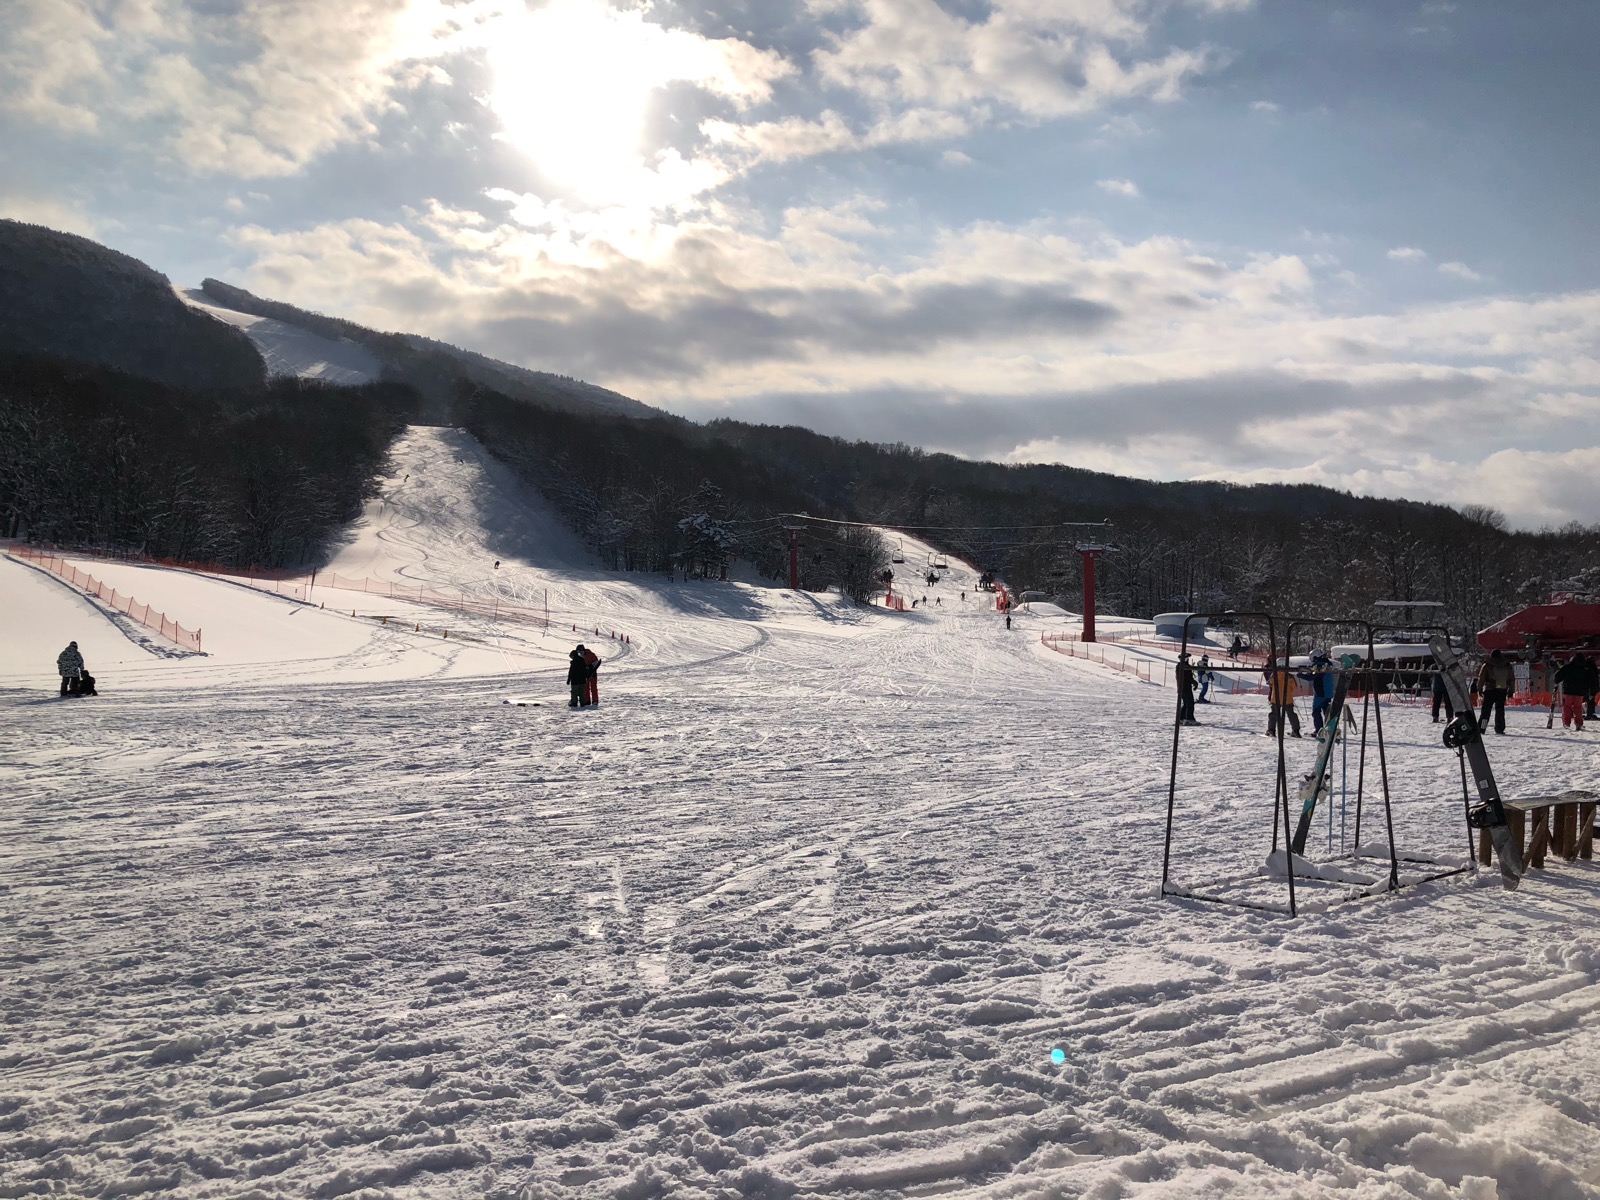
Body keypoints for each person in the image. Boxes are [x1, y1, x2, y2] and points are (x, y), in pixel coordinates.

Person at [1476, 649, 1514, 735]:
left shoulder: (1487, 665)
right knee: (1500, 711)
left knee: (1486, 712)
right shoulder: (1507, 665)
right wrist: (1511, 690)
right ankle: (1499, 728)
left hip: (1490, 690)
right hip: (1502, 690)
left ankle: (1482, 728)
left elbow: (1481, 678)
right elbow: (1511, 678)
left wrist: (1479, 689)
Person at [1264, 657, 1301, 738]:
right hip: (1287, 698)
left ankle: (1271, 730)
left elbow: (1270, 683)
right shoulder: (1290, 676)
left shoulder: (1274, 675)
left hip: (1275, 698)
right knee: (1291, 714)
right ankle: (1296, 731)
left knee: (1273, 714)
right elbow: (1294, 686)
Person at [1302, 650, 1337, 733]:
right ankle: (1330, 729)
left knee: (1316, 712)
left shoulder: (1319, 665)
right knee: (1327, 712)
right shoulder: (1328, 664)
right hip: (1328, 692)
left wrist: (1300, 675)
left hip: (1321, 692)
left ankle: (1319, 730)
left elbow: (1311, 677)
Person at [1552, 655, 1587, 731]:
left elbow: (1558, 675)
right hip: (1579, 692)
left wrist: (1556, 682)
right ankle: (1578, 723)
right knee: (1578, 707)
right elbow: (1589, 680)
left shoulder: (1567, 667)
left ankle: (1566, 723)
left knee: (1567, 706)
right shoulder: (1584, 669)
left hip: (1568, 691)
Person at [1176, 653, 1198, 725]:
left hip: (1185, 687)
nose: (1187, 660)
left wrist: (1193, 682)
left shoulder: (1183, 666)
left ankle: (1181, 718)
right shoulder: (1181, 667)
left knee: (1186, 704)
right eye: (1186, 658)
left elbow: (1189, 677)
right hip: (1184, 687)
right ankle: (1189, 718)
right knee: (1190, 703)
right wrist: (1193, 682)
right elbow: (1186, 678)